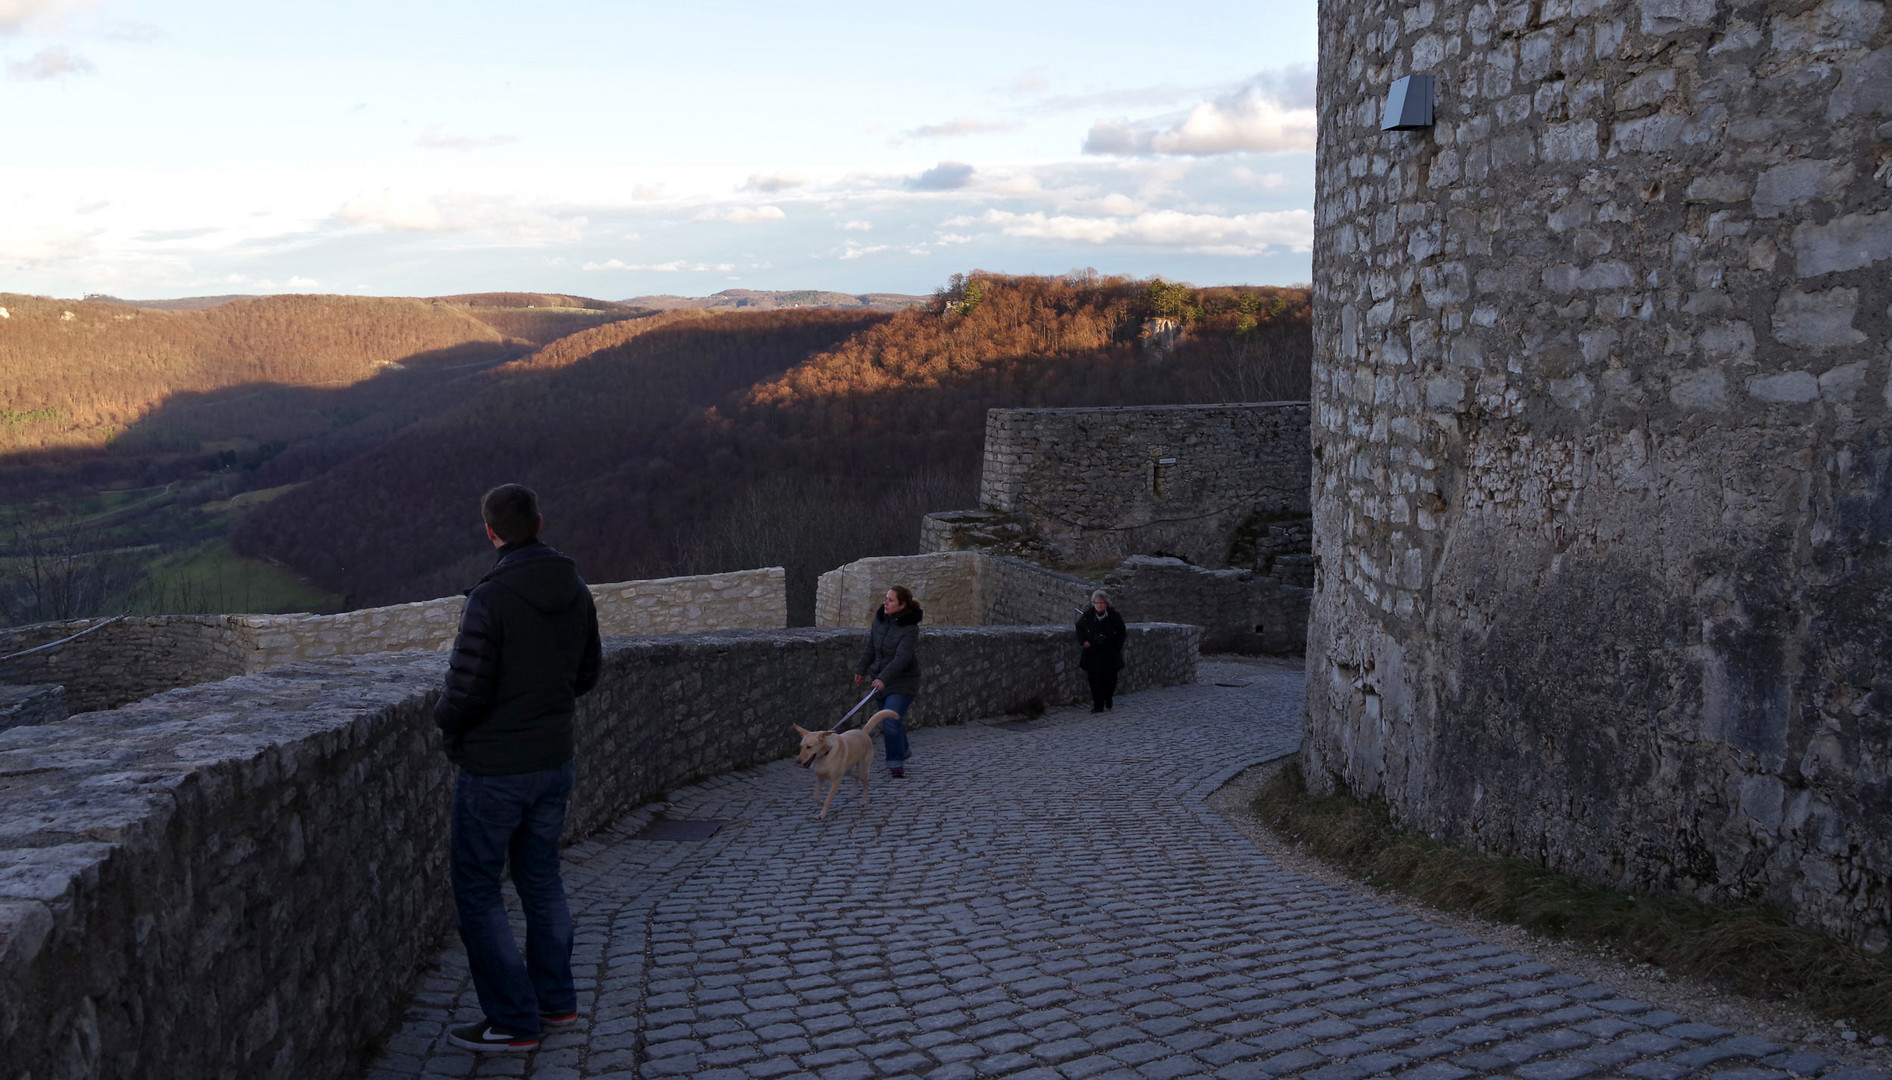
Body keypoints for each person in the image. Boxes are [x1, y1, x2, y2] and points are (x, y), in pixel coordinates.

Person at [434, 484, 602, 1054]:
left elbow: (465, 691)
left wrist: (446, 724)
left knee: (478, 891)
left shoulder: (491, 598)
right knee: (542, 879)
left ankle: (512, 1020)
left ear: (491, 532)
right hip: (554, 760)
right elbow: (586, 676)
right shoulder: (576, 588)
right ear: (539, 520)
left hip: (495, 769)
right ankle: (556, 1003)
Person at [854, 584, 922, 778]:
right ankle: (904, 749)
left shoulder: (910, 629)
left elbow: (902, 658)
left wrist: (883, 678)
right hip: (880, 680)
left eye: (890, 600)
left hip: (903, 681)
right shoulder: (880, 621)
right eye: (886, 598)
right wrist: (861, 669)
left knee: (889, 721)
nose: (885, 602)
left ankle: (895, 764)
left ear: (902, 605)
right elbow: (871, 648)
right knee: (894, 720)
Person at [1076, 589, 1126, 712]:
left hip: (1110, 654)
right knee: (1094, 680)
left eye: (1102, 603)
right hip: (1093, 654)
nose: (1099, 605)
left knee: (1111, 680)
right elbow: (1079, 628)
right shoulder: (1088, 616)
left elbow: (1122, 633)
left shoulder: (1114, 616)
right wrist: (1084, 641)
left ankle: (1108, 697)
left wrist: (1116, 646)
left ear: (1106, 604)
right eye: (1097, 602)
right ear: (1093, 603)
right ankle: (1098, 705)